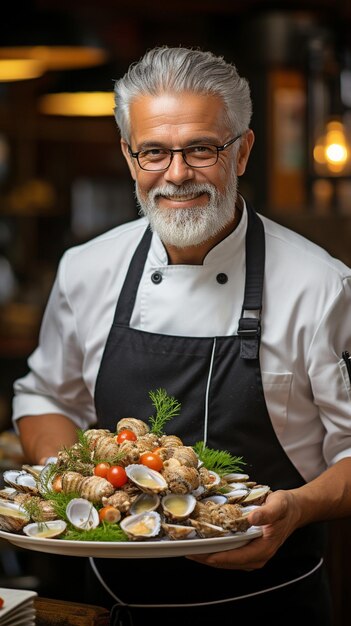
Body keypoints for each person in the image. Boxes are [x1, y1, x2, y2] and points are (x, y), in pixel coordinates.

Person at [12, 46, 351, 626]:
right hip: (106, 606)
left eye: (201, 148)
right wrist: (70, 477)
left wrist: (295, 509)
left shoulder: (321, 286)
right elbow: (45, 398)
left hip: (267, 606)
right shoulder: (86, 269)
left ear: (242, 151)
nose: (176, 174)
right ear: (128, 155)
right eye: (154, 151)